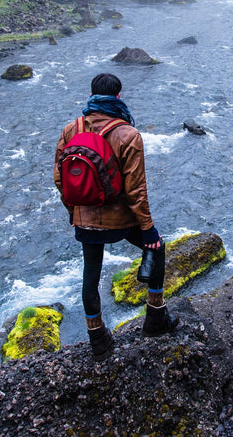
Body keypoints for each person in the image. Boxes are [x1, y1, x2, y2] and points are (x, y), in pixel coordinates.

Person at [54, 72, 179, 360]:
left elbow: (59, 178)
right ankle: (155, 319)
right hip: (121, 220)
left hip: (85, 219)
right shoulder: (128, 134)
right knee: (157, 249)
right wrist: (147, 230)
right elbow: (136, 189)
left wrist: (74, 211)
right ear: (119, 97)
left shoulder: (70, 129)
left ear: (91, 95)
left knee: (90, 274)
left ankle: (97, 339)